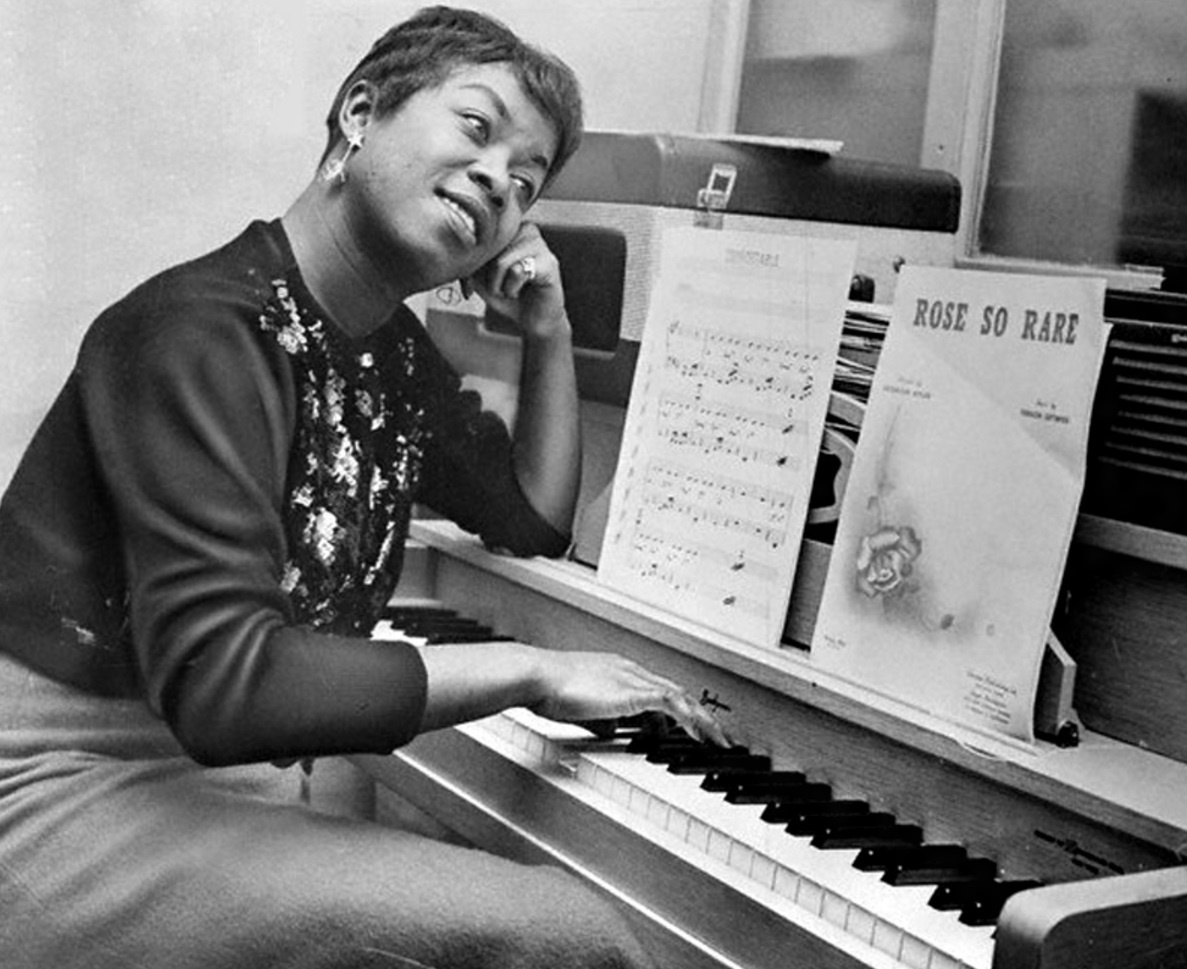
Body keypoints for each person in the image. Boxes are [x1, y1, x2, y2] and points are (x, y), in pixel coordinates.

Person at [0, 7, 727, 968]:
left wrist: (546, 326)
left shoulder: (386, 353)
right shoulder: (194, 332)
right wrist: (528, 668)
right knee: (566, 929)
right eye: (477, 127)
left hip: (221, 784)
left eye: (525, 182)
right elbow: (228, 690)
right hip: (60, 796)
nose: (497, 182)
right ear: (360, 113)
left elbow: (530, 515)